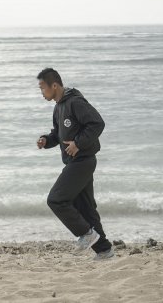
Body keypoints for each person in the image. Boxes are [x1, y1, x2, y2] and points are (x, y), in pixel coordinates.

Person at [36, 67, 114, 261]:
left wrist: (79, 143)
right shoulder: (58, 107)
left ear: (54, 85)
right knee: (86, 208)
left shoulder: (75, 102)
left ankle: (86, 234)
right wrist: (47, 140)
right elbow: (58, 134)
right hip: (76, 161)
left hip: (83, 161)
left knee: (56, 199)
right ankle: (104, 250)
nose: (41, 92)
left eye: (42, 87)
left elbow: (97, 123)